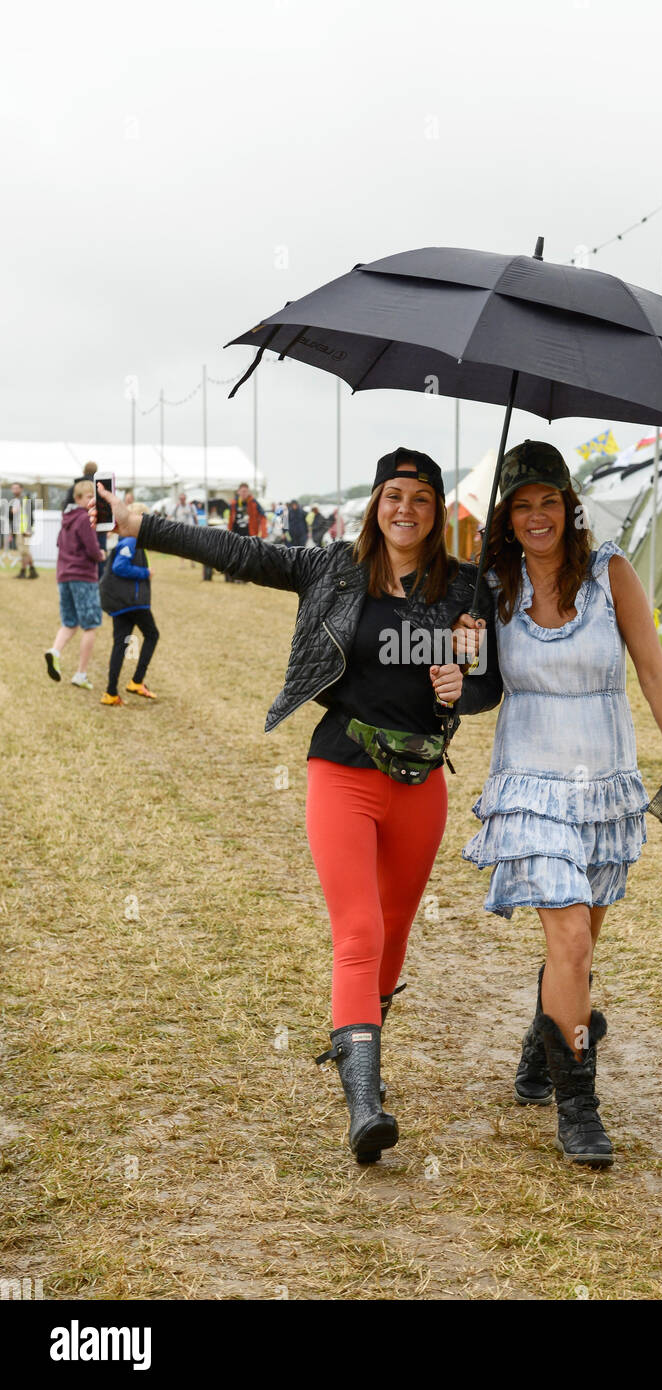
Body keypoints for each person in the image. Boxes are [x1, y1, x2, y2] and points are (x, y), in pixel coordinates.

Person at [90, 447, 502, 1165]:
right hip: (340, 767)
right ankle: (365, 1105)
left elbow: (486, 686)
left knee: (396, 931)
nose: (405, 509)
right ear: (376, 503)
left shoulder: (464, 591)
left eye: (421, 499)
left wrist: (459, 688)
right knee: (360, 929)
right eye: (393, 495)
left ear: (437, 513)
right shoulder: (334, 569)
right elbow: (242, 552)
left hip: (420, 781)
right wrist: (142, 523)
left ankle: (355, 1044)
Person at [456, 441, 662, 1169]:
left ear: (569, 506)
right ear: (505, 516)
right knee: (567, 942)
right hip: (529, 781)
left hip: (604, 782)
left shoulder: (611, 575)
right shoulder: (491, 586)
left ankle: (544, 1046)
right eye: (521, 504)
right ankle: (579, 1107)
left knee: (579, 948)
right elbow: (474, 693)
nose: (537, 516)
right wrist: (462, 651)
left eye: (548, 501)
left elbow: (655, 674)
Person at [44, 479, 104, 690]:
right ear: (78, 498)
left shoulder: (66, 520)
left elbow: (60, 545)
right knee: (91, 625)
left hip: (64, 576)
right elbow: (92, 548)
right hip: (83, 576)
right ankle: (81, 673)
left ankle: (55, 651)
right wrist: (101, 555)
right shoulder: (83, 519)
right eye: (89, 497)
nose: (91, 501)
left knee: (70, 623)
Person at [99, 502, 159, 706]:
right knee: (152, 635)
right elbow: (119, 567)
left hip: (122, 603)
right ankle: (136, 681)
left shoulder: (127, 540)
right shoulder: (131, 542)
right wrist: (145, 573)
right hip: (132, 602)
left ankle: (111, 692)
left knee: (121, 644)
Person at [7, 482, 38, 578]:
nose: (15, 490)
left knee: (24, 551)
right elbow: (11, 517)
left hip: (25, 531)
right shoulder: (14, 501)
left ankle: (24, 571)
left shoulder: (25, 499)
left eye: (16, 488)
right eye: (13, 488)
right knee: (24, 551)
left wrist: (29, 529)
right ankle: (32, 571)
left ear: (21, 489)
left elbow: (30, 515)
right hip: (19, 530)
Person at [172, 493, 197, 568]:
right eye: (181, 499)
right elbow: (171, 516)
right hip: (180, 529)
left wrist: (197, 526)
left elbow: (195, 516)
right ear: (179, 499)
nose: (182, 500)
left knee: (191, 546)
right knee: (181, 547)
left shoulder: (191, 506)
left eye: (183, 499)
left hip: (190, 528)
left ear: (185, 499)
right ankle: (182, 564)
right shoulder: (176, 507)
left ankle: (192, 562)